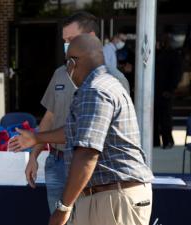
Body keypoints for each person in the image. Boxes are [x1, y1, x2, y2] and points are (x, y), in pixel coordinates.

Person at [11, 34, 154, 225]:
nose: (68, 69)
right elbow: (80, 131)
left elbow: (87, 153)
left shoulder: (95, 91)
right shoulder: (108, 84)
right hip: (113, 195)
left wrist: (63, 208)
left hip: (111, 197)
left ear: (74, 62)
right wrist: (37, 138)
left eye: (68, 62)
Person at [26, 11, 130, 214]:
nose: (67, 46)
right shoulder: (60, 74)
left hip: (92, 167)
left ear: (90, 38)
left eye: (71, 39)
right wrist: (33, 156)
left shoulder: (114, 80)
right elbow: (50, 116)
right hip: (56, 163)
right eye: (65, 41)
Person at [153, 32, 183, 149]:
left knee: (165, 118)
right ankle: (155, 141)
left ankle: (167, 141)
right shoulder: (158, 53)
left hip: (165, 91)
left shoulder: (173, 55)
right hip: (156, 91)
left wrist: (170, 89)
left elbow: (176, 74)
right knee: (155, 118)